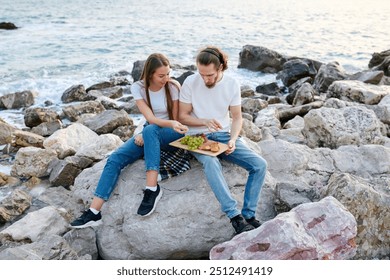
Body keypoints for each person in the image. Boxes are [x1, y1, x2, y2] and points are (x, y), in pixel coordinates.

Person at [70, 53, 188, 228]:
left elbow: (176, 120)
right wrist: (144, 132)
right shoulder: (138, 88)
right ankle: (94, 212)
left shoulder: (173, 87)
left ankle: (152, 189)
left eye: (168, 73)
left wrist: (148, 131)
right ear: (150, 75)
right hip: (150, 129)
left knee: (150, 131)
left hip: (174, 132)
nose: (166, 78)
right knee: (115, 159)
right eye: (161, 76)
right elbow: (149, 117)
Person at [178, 46, 267, 235]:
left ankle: (249, 215)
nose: (205, 79)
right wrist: (203, 121)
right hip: (196, 137)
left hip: (223, 136)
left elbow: (237, 118)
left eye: (209, 75)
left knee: (259, 165)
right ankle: (235, 217)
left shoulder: (231, 84)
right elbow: (182, 116)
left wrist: (233, 140)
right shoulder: (190, 82)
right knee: (211, 162)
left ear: (221, 68)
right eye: (201, 74)